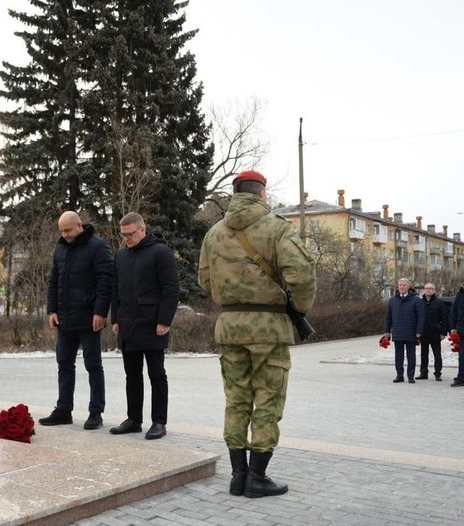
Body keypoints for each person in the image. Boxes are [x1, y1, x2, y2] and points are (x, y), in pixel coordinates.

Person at [198, 170, 316, 498]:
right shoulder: (277, 228)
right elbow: (301, 275)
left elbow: (204, 281)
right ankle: (257, 477)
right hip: (269, 329)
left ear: (235, 193)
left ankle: (237, 476)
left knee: (236, 399)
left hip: (229, 327)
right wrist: (300, 308)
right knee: (268, 399)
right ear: (262, 194)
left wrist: (232, 296)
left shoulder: (214, 234)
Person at [109, 212, 179, 441]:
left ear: (142, 229)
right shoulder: (120, 256)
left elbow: (170, 289)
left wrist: (164, 321)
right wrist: (116, 319)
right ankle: (134, 419)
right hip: (128, 325)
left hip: (152, 325)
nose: (126, 239)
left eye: (130, 234)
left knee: (156, 375)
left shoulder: (161, 252)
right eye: (123, 235)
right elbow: (116, 290)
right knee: (132, 375)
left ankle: (159, 421)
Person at [40, 211, 114, 430]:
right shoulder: (60, 247)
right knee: (64, 364)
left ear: (79, 225)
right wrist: (52, 310)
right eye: (61, 231)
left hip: (89, 318)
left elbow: (106, 281)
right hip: (64, 318)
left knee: (93, 365)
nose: (64, 234)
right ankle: (64, 410)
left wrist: (100, 312)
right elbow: (54, 280)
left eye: (68, 230)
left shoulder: (98, 247)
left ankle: (95, 412)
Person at [384, 278, 424, 383]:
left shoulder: (416, 300)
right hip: (397, 332)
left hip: (411, 332)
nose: (402, 287)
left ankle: (411, 376)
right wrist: (387, 331)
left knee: (411, 356)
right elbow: (388, 317)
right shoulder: (392, 300)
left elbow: (421, 318)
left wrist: (419, 331)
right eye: (400, 285)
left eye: (404, 285)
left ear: (408, 287)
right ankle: (399, 375)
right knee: (398, 356)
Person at [416, 283, 449, 381]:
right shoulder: (420, 302)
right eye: (426, 288)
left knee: (437, 354)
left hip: (436, 332)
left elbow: (445, 319)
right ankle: (423, 373)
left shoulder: (439, 303)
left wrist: (443, 332)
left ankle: (438, 373)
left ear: (434, 290)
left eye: (431, 288)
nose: (428, 290)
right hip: (424, 332)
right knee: (423, 354)